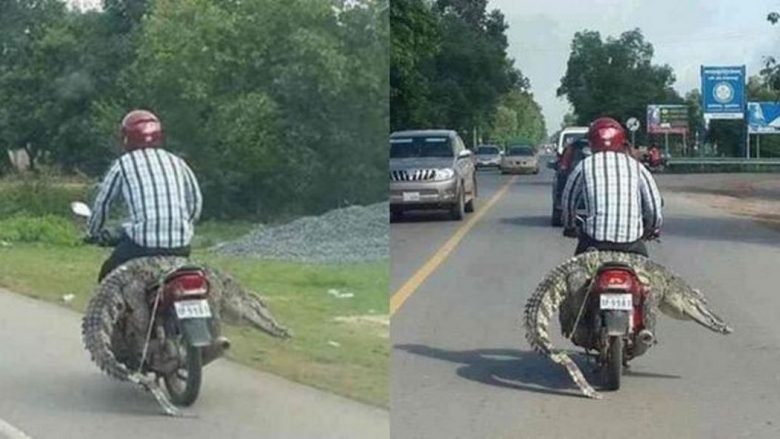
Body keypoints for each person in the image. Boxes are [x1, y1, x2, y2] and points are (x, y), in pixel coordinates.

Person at [88, 109, 203, 282]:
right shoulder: (177, 161)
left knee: (108, 275)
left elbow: (103, 203)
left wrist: (93, 231)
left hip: (142, 245)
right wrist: (185, 224)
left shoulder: (123, 164)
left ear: (126, 137)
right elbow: (195, 202)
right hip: (181, 245)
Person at [561, 117, 663, 257]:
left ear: (591, 144)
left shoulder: (584, 165)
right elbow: (654, 207)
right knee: (648, 276)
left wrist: (569, 226)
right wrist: (653, 229)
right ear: (622, 142)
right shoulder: (637, 167)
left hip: (594, 242)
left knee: (572, 274)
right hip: (631, 243)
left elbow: (567, 201)